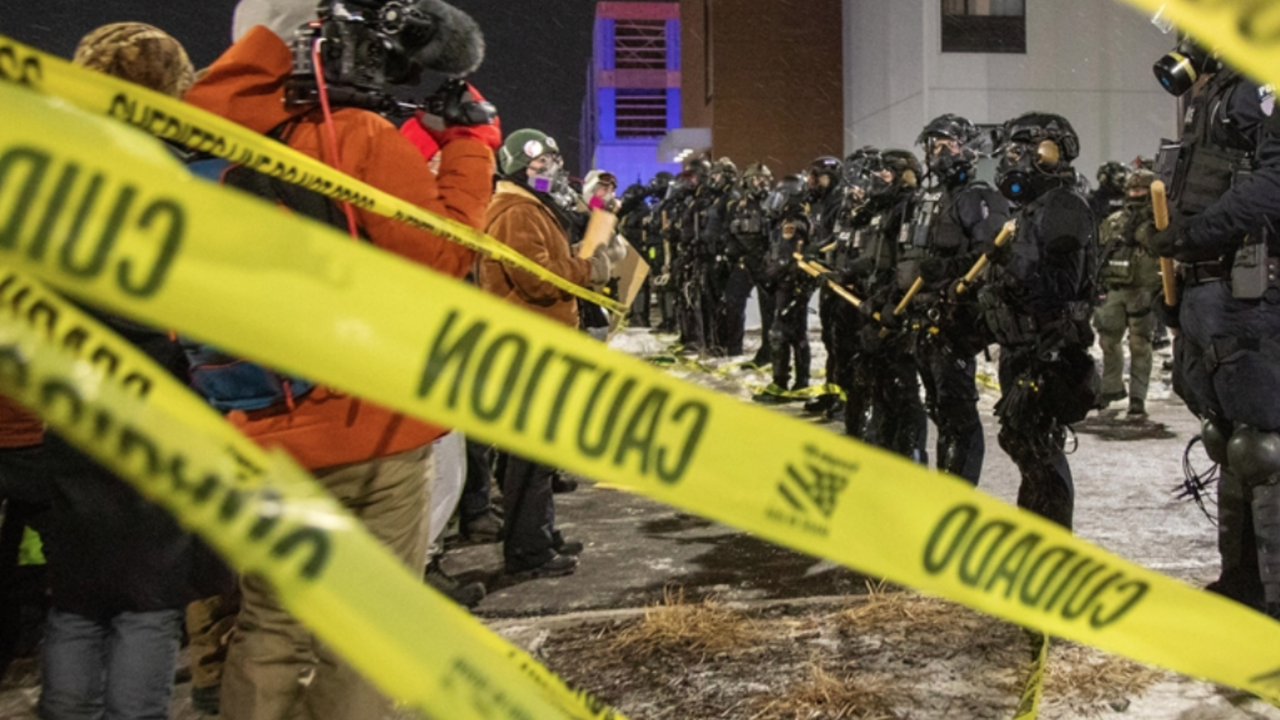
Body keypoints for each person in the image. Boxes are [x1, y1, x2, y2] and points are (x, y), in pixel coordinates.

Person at [183, 0, 500, 716]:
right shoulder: (352, 132)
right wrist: (471, 146)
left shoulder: (198, 137)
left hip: (254, 419)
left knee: (272, 624)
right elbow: (440, 254)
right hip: (366, 425)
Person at [29, 24, 208, 720]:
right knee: (148, 598)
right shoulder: (179, 180)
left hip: (71, 406)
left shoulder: (49, 177)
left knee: (77, 597)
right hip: (158, 404)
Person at [1148, 37, 1280, 616]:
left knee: (1263, 449)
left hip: (1253, 286)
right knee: (1227, 441)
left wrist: (1191, 235)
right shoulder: (1215, 92)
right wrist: (1174, 275)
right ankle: (1241, 590)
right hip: (1212, 286)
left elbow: (1273, 184)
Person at [480, 128, 618, 577]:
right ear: (521, 167)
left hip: (535, 342)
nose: (552, 170)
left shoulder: (528, 206)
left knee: (533, 457)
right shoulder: (517, 211)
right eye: (543, 164)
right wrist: (587, 268)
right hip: (529, 346)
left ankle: (537, 532)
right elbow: (538, 279)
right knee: (529, 459)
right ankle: (527, 551)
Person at [978, 112, 1099, 530]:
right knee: (1024, 443)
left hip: (1047, 348)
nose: (1013, 160)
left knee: (1040, 449)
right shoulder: (1033, 209)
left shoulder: (1063, 205)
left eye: (1021, 151)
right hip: (1023, 345)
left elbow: (1059, 287)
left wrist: (1010, 268)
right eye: (1010, 152)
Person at [912, 114, 1012, 484]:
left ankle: (956, 492)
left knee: (957, 412)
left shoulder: (978, 196)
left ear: (966, 149)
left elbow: (990, 255)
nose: (938, 152)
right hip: (926, 316)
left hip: (958, 318)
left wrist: (950, 270)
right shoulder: (933, 199)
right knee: (938, 406)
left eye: (947, 144)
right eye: (933, 145)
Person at [840, 149, 928, 462]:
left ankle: (910, 459)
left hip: (898, 312)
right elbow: (877, 259)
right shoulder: (883, 209)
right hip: (876, 307)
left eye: (886, 172)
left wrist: (888, 302)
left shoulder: (910, 207)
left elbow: (907, 265)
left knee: (902, 390)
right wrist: (845, 272)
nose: (878, 179)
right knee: (879, 387)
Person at [1093, 169, 1162, 418]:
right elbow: (1100, 250)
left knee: (1139, 345)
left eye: (1141, 190)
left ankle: (1137, 398)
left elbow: (1164, 247)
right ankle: (1111, 389)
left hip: (1144, 290)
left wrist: (1145, 231)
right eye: (1132, 190)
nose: (1135, 194)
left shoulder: (1159, 221)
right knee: (1108, 340)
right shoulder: (1114, 221)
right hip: (1115, 287)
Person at [754, 175, 815, 401]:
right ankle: (801, 383)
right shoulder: (788, 221)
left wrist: (767, 277)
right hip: (791, 284)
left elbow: (786, 258)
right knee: (797, 334)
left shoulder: (792, 223)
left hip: (790, 284)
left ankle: (781, 383)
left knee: (779, 333)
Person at [803, 157, 849, 420]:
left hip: (840, 278)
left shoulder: (840, 202)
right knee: (830, 339)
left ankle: (844, 398)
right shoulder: (822, 203)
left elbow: (839, 237)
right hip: (827, 277)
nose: (813, 182)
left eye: (817, 177)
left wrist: (818, 250)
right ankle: (832, 392)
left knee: (841, 341)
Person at [725, 163, 778, 367]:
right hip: (745, 261)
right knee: (732, 301)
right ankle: (733, 348)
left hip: (766, 262)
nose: (761, 183)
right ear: (747, 182)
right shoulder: (736, 206)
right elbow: (728, 233)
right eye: (757, 179)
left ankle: (768, 351)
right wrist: (737, 254)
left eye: (765, 179)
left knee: (769, 309)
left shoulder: (776, 203)